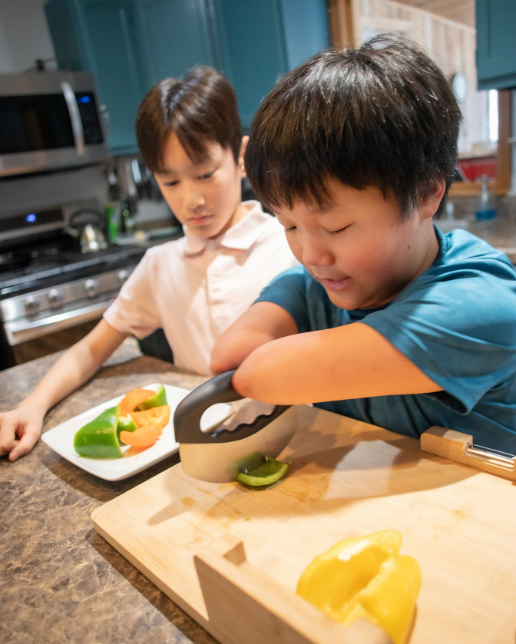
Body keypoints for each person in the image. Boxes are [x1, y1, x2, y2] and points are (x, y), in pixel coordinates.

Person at [211, 35, 516, 453]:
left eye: (336, 227)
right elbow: (229, 356)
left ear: (427, 194)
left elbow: (257, 374)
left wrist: (266, 359)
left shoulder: (481, 302)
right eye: (289, 225)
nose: (311, 256)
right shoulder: (316, 283)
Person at [0, 66, 297, 461]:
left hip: (292, 438)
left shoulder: (288, 243)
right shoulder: (160, 265)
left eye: (205, 174)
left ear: (240, 157)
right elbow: (89, 351)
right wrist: (32, 406)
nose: (192, 199)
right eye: (171, 182)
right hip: (198, 446)